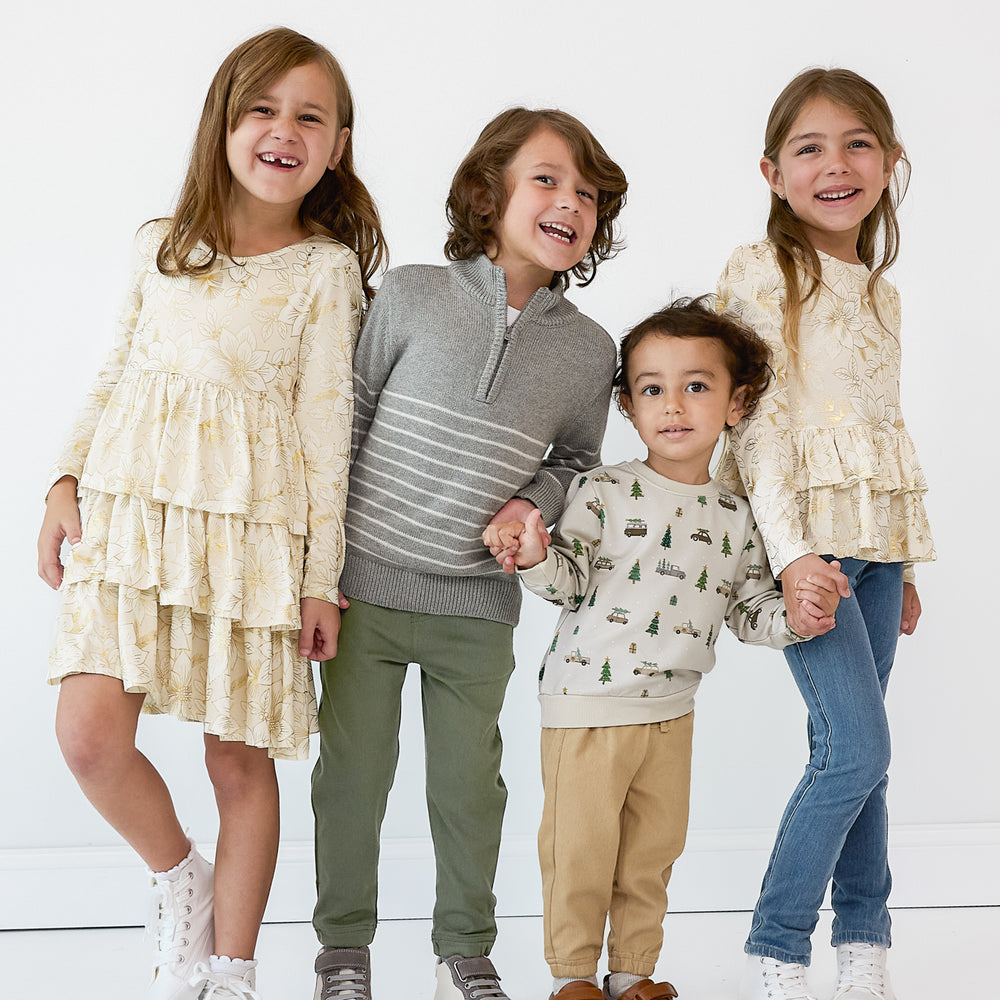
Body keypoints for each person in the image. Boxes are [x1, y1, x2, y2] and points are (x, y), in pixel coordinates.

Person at [36, 27, 384, 1000]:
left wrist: (321, 578)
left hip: (251, 533)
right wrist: (62, 481)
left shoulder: (323, 272)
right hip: (133, 513)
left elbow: (327, 430)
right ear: (223, 124)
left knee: (238, 759)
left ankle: (229, 971)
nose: (283, 132)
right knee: (88, 733)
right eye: (262, 110)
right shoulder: (164, 244)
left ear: (337, 144)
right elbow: (115, 370)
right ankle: (177, 876)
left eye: (309, 117)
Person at [309, 107, 627, 1000]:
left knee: (468, 790)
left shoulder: (589, 350)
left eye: (589, 195)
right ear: (488, 195)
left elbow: (574, 463)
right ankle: (343, 949)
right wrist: (317, 579)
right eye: (548, 179)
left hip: (477, 606)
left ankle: (465, 949)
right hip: (363, 592)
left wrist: (536, 501)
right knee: (353, 781)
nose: (571, 203)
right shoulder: (410, 294)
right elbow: (343, 427)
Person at [498, 298, 843, 1000]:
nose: (674, 405)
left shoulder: (736, 515)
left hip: (672, 712)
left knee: (650, 855)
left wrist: (802, 618)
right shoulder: (604, 491)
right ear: (627, 405)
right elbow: (567, 584)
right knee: (579, 854)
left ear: (736, 402)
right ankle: (572, 977)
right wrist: (536, 553)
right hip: (587, 705)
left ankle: (631, 974)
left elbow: (750, 613)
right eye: (652, 388)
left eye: (696, 386)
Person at [715, 69, 935, 1000]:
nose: (835, 165)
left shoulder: (882, 293)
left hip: (877, 552)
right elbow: (753, 424)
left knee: (861, 749)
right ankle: (775, 947)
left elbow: (881, 430)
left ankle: (865, 950)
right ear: (772, 170)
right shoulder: (762, 271)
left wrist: (906, 559)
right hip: (807, 552)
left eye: (856, 144)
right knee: (856, 751)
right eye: (809, 147)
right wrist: (795, 552)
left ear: (889, 164)